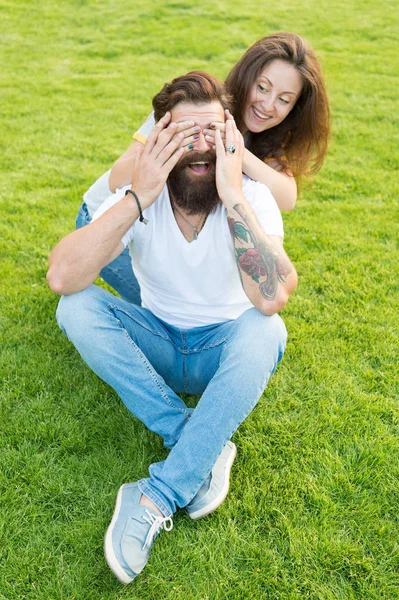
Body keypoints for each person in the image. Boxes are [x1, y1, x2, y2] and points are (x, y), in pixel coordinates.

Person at [47, 71, 298, 583]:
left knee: (267, 331)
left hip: (219, 357)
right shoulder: (142, 192)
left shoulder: (250, 195)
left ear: (230, 137)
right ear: (159, 135)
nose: (200, 145)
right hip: (156, 342)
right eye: (185, 133)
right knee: (75, 308)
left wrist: (232, 197)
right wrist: (137, 197)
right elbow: (62, 277)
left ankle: (157, 493)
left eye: (212, 131)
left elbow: (271, 297)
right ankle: (195, 439)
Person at [77, 32, 329, 304]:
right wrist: (171, 143)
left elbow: (287, 197)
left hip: (164, 230)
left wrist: (234, 149)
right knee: (171, 308)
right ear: (246, 78)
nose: (267, 105)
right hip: (103, 219)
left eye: (284, 99)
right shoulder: (192, 104)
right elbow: (117, 179)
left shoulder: (268, 140)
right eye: (263, 87)